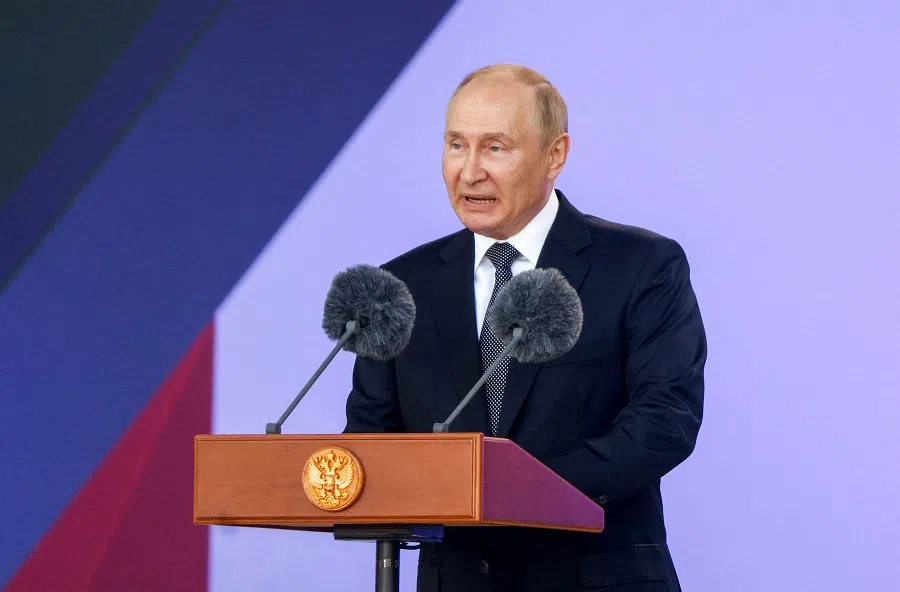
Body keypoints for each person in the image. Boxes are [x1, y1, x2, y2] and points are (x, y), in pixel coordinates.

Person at [344, 64, 706, 592]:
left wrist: (524, 491)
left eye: (495, 148)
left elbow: (664, 421)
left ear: (555, 155)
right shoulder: (400, 286)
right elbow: (371, 439)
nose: (469, 172)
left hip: (593, 577)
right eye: (456, 146)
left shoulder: (640, 267)